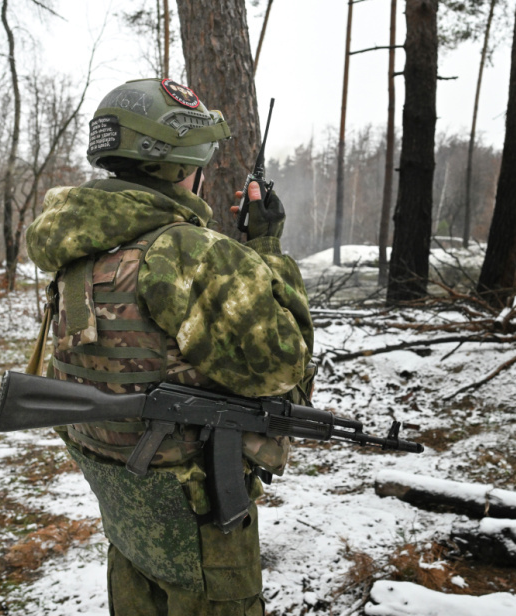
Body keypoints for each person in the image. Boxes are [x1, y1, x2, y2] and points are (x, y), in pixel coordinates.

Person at [25, 77, 315, 616]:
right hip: (197, 519)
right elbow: (286, 367)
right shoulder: (186, 252)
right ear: (185, 165)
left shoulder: (77, 247)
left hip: (126, 507)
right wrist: (268, 248)